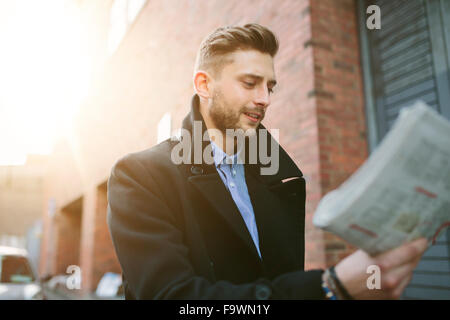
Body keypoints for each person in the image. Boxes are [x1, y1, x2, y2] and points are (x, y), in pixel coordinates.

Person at [106, 23, 428, 300]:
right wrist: (330, 285)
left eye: (270, 86)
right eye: (249, 83)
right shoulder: (140, 176)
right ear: (204, 85)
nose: (265, 99)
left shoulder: (274, 175)